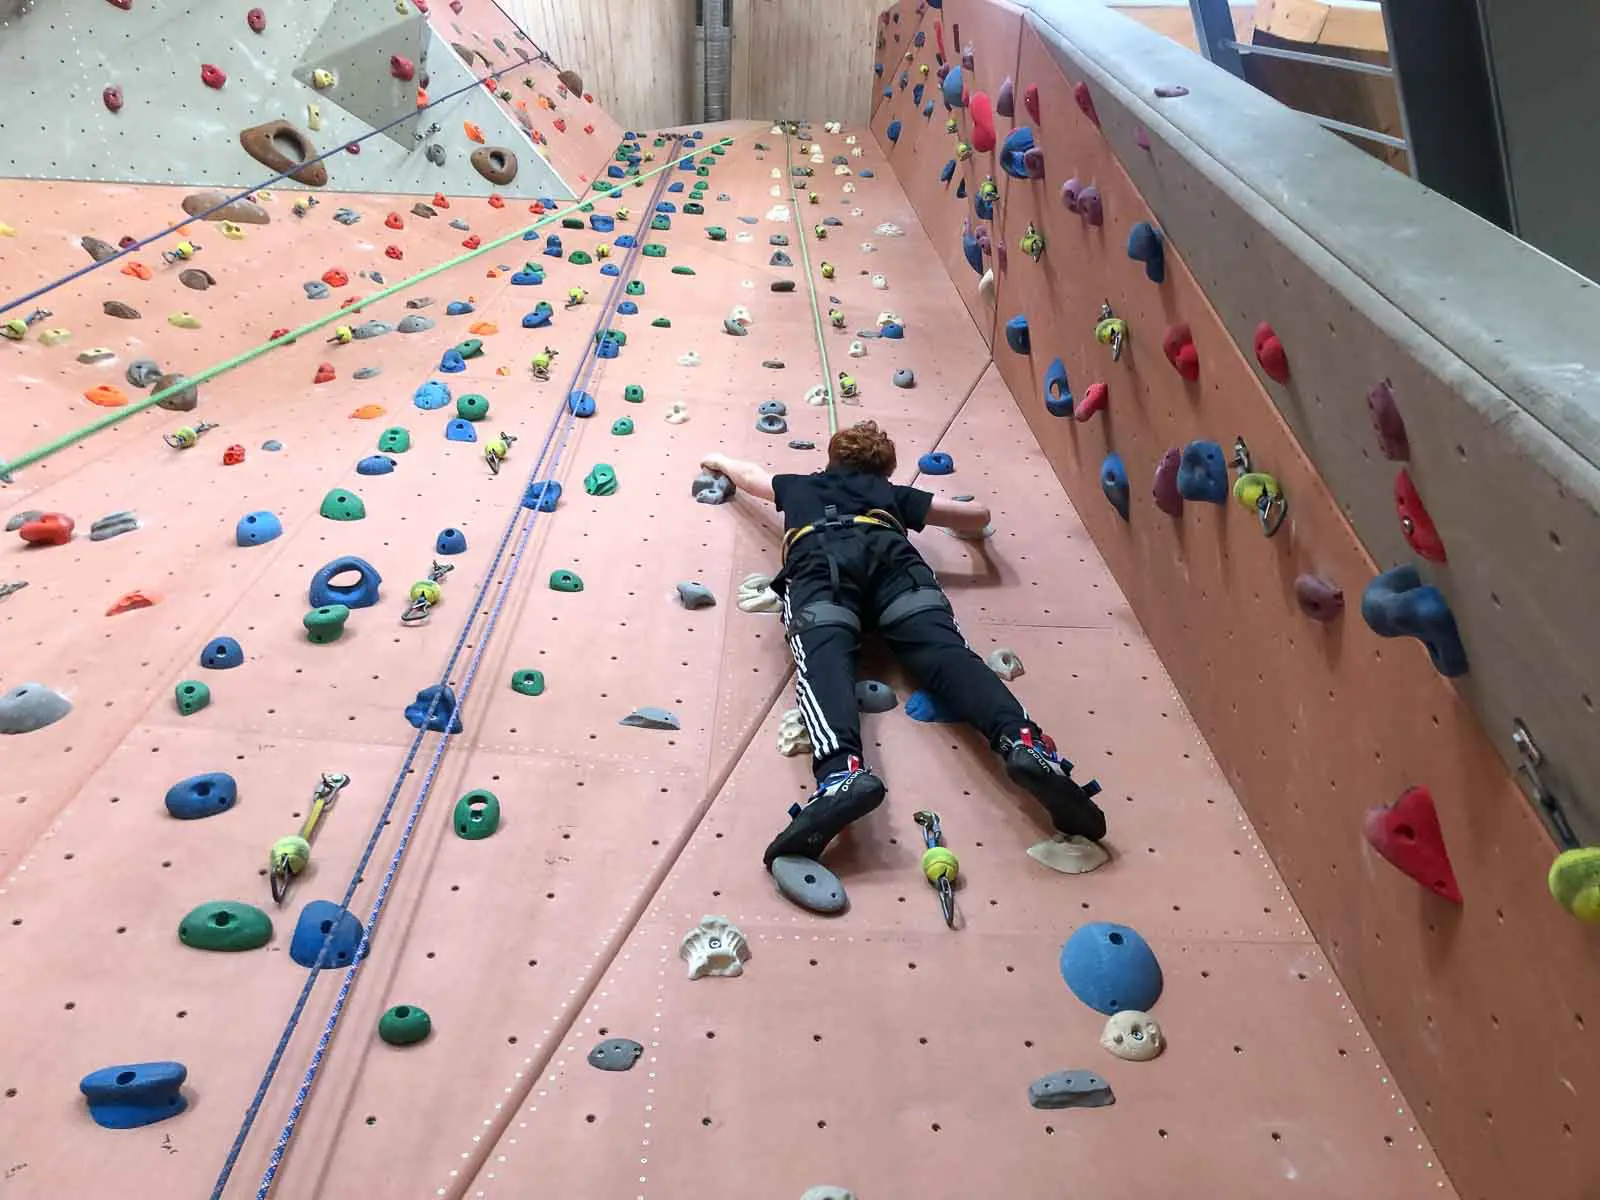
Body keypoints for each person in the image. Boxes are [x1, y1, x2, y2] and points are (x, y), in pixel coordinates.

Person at [700, 420, 1106, 868]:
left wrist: (719, 460)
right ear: (885, 472)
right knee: (949, 658)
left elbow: (750, 476)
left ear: (831, 460)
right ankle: (1024, 743)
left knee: (822, 664)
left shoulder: (798, 486)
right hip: (897, 568)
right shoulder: (892, 496)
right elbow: (977, 515)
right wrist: (974, 541)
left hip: (822, 567)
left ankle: (841, 775)